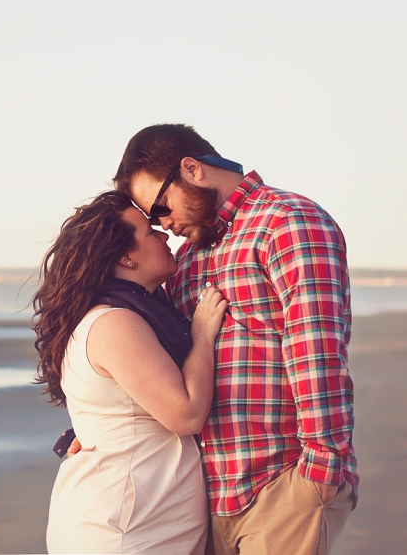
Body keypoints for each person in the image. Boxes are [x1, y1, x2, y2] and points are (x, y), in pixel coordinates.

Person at [92, 123, 357, 555]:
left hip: (281, 486)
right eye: (151, 219)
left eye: (160, 208)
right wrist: (96, 424)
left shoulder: (287, 222)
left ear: (192, 170)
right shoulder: (188, 258)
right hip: (205, 497)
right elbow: (156, 364)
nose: (163, 225)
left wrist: (321, 470)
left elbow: (316, 350)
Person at [34, 190, 228, 554]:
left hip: (138, 519)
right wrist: (202, 335)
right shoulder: (115, 322)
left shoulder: (123, 315)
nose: (165, 236)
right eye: (150, 233)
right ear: (126, 256)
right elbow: (185, 414)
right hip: (124, 530)